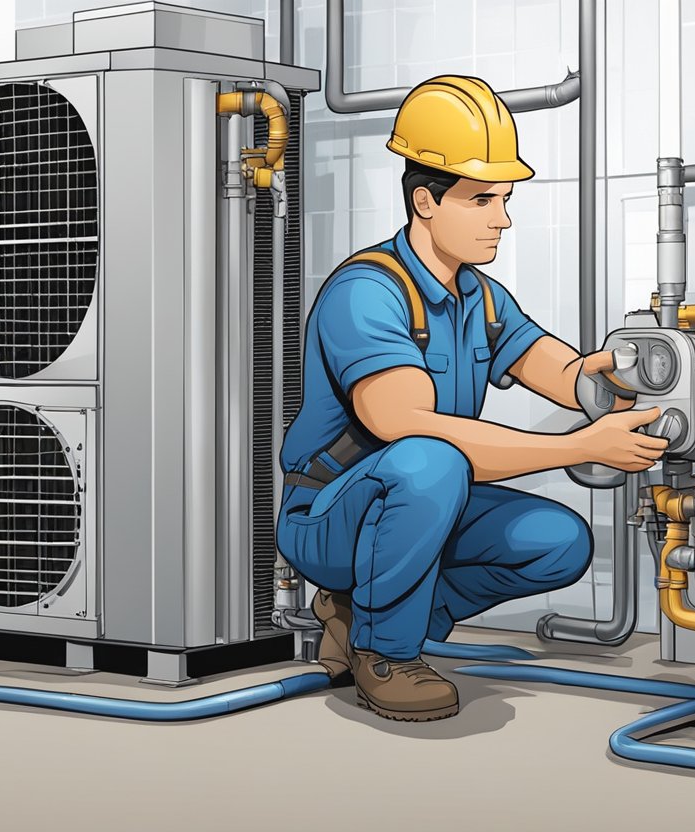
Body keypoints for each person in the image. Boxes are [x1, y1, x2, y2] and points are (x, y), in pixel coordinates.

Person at [276, 75, 666, 722]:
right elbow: (403, 427)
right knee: (432, 461)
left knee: (557, 540)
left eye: (506, 199)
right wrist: (573, 447)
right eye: (483, 200)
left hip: (423, 501)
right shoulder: (368, 292)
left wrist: (615, 379)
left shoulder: (479, 298)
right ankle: (385, 654)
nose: (503, 219)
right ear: (425, 202)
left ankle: (359, 615)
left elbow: (562, 370)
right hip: (328, 514)